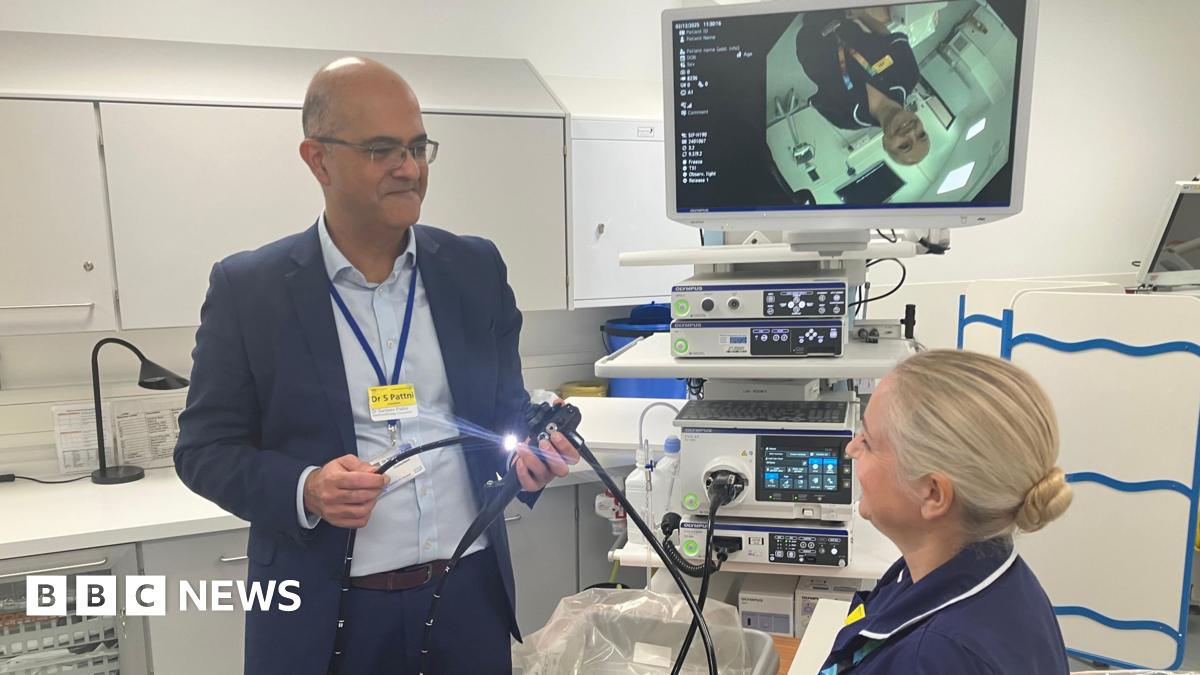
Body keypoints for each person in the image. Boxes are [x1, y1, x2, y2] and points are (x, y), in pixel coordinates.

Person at [174, 57, 579, 675]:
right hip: (325, 612)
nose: (410, 169)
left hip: (466, 598)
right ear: (318, 159)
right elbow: (203, 450)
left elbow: (502, 414)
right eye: (383, 149)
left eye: (418, 147)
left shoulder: (473, 270)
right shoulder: (250, 290)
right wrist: (306, 487)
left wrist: (531, 456)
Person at [820, 350, 1073, 674]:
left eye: (868, 442)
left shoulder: (934, 659)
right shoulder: (978, 567)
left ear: (933, 493)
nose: (851, 449)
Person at [795, 7, 930, 165]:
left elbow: (817, 99)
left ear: (886, 144)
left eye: (904, 145)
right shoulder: (908, 74)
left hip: (808, 38)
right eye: (921, 134)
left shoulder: (846, 118)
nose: (912, 132)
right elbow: (887, 37)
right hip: (839, 14)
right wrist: (862, 15)